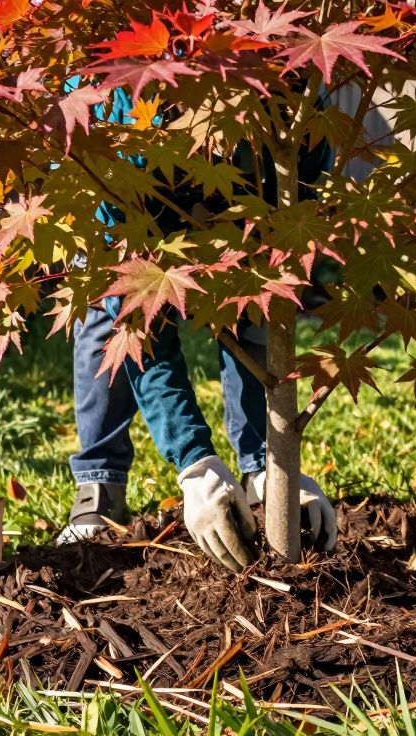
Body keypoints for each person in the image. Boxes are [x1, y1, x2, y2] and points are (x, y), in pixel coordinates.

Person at [57, 85, 337, 571]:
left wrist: (273, 466)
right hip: (122, 207)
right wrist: (195, 462)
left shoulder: (300, 118)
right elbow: (142, 328)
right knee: (109, 319)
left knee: (254, 302)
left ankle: (254, 467)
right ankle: (99, 486)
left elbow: (268, 294)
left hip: (237, 218)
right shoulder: (121, 125)